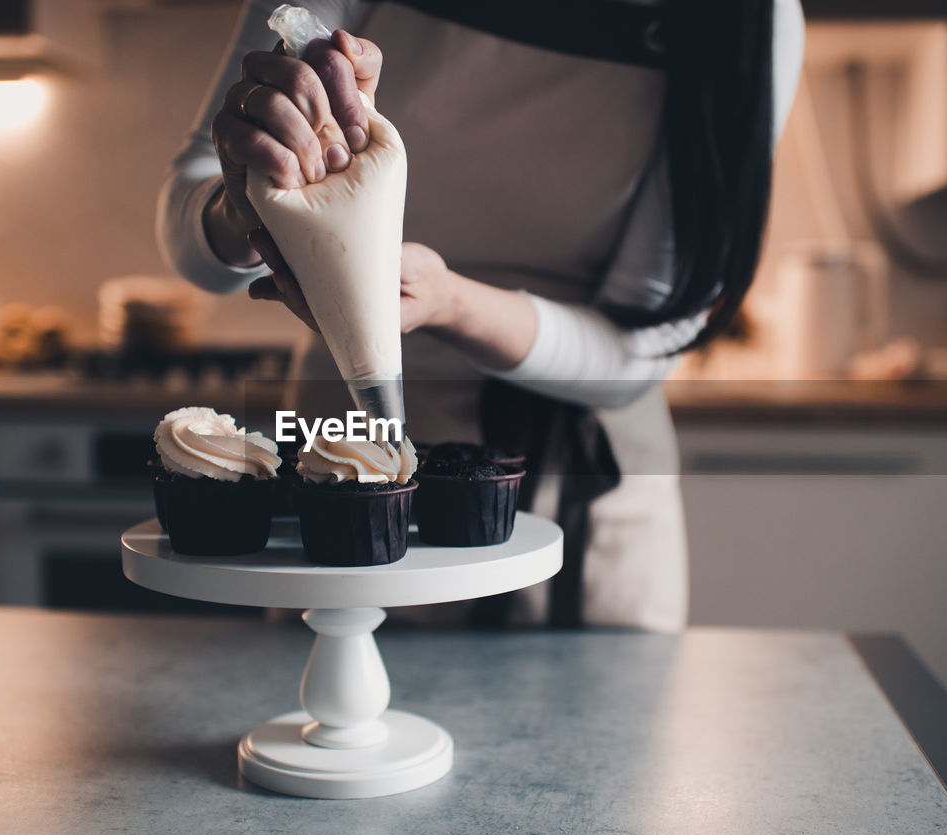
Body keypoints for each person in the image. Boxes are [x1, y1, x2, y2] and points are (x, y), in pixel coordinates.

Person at [157, 0, 804, 631]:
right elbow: (197, 227)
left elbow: (636, 352)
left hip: (582, 481)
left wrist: (449, 302)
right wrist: (245, 207)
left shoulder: (748, 19)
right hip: (346, 461)